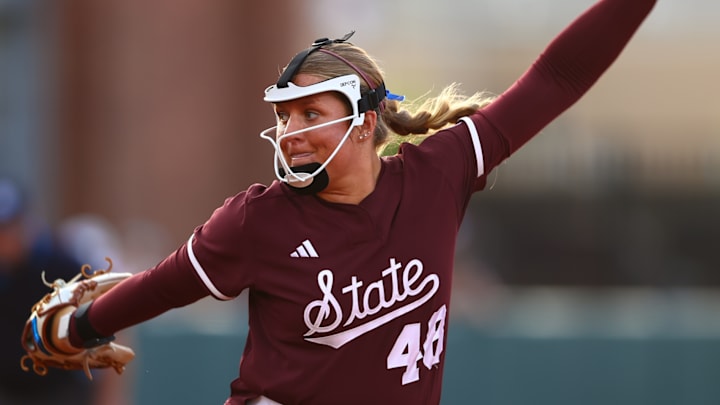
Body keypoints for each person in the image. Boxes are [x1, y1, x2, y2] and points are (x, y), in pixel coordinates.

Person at [56, 0, 657, 403]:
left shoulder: (436, 175)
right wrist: (76, 326)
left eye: (311, 113)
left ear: (366, 122)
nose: (291, 130)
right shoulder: (256, 220)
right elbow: (162, 286)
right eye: (285, 115)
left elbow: (555, 79)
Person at [0, 178, 96, 405]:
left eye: (7, 229)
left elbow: (112, 326)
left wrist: (110, 397)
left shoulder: (61, 267)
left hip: (61, 392)